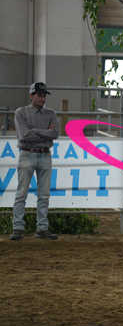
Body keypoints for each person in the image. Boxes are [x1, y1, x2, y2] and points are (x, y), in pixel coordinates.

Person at [10, 82, 59, 240]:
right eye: (39, 95)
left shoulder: (50, 113)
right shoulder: (21, 112)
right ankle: (19, 227)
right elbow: (24, 135)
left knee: (43, 194)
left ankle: (40, 228)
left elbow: (55, 133)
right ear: (31, 95)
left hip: (40, 154)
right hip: (30, 153)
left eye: (44, 95)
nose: (42, 98)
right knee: (22, 193)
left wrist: (35, 131)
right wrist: (45, 133)